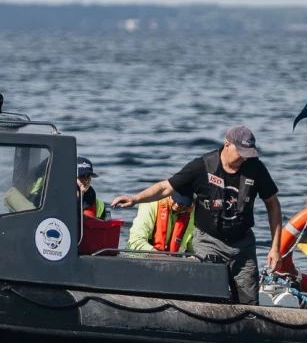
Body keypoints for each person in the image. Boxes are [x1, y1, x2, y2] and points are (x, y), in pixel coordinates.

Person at [111, 126, 282, 305]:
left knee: (249, 302)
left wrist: (275, 248)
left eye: (248, 153)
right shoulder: (202, 166)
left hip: (243, 247)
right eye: (240, 152)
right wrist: (135, 199)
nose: (244, 158)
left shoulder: (256, 168)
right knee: (210, 299)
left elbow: (273, 205)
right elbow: (166, 187)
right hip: (209, 243)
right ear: (227, 145)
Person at [126, 191, 195, 253]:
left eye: (182, 203)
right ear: (168, 195)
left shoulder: (190, 213)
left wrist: (193, 255)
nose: (177, 205)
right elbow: (135, 241)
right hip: (139, 256)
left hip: (170, 260)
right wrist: (160, 256)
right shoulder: (149, 205)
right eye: (174, 200)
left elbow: (190, 244)